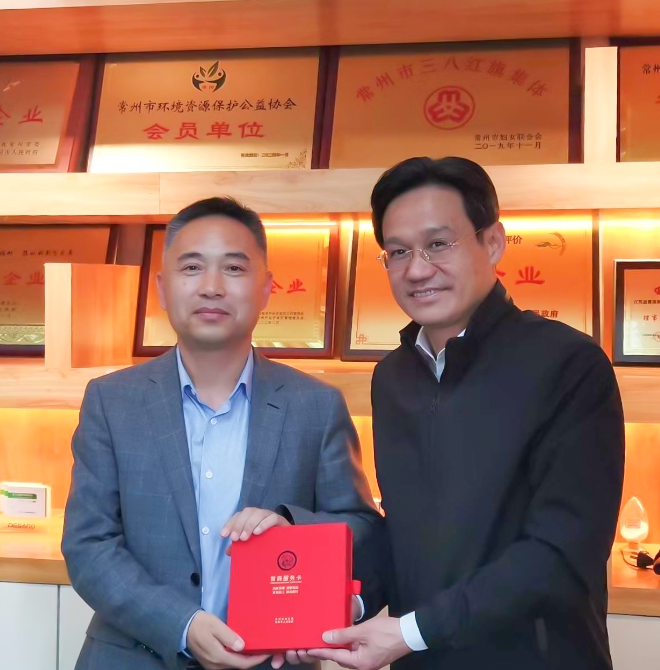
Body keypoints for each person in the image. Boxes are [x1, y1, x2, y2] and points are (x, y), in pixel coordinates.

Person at [303, 157, 626, 670]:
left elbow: (562, 552)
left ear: (492, 243)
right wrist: (347, 603)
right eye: (398, 251)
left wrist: (413, 631)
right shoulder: (392, 377)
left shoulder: (568, 364)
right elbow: (404, 533)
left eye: (438, 244)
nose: (416, 269)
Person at [62, 197, 380, 670]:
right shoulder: (112, 401)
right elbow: (88, 545)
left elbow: (361, 531)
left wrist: (293, 529)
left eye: (233, 268)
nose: (211, 287)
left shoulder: (315, 405)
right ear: (163, 289)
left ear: (266, 288)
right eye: (192, 268)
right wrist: (182, 625)